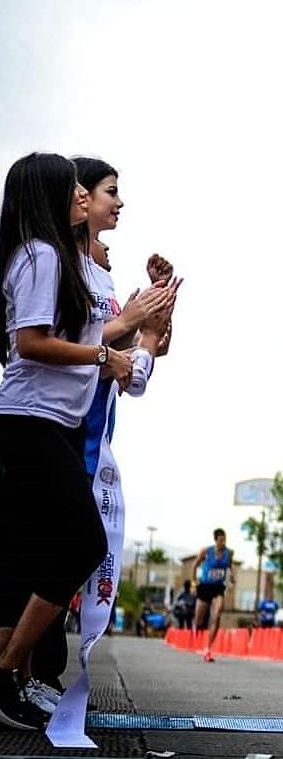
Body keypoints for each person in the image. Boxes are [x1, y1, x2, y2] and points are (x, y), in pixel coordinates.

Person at [0, 153, 135, 729]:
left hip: (49, 422)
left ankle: (15, 677)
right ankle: (9, 674)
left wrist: (138, 324)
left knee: (29, 554)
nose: (84, 195)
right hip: (30, 420)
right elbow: (30, 343)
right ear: (51, 193)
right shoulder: (42, 255)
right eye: (75, 187)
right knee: (81, 543)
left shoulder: (57, 257)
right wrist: (104, 353)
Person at [192, 529, 233, 663]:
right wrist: (193, 583)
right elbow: (194, 565)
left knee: (217, 613)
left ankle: (208, 648)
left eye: (224, 540)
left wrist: (229, 581)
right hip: (205, 586)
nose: (223, 542)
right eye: (220, 540)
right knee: (199, 619)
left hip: (218, 588)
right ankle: (197, 627)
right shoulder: (206, 551)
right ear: (215, 540)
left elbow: (229, 568)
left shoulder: (228, 553)